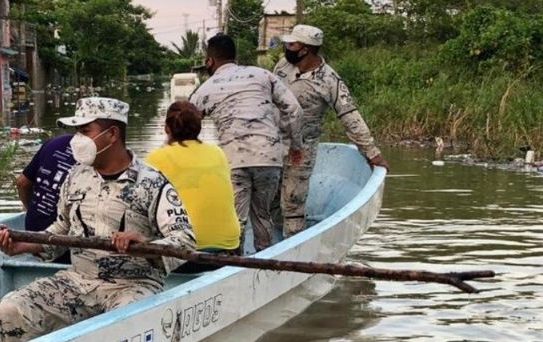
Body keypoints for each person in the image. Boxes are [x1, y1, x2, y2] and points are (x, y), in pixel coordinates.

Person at [0, 97, 195, 342]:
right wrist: (24, 246)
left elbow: (185, 241)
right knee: (12, 308)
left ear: (112, 135)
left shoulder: (151, 183)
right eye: (76, 130)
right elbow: (62, 230)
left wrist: (146, 244)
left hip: (132, 286)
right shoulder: (76, 176)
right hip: (78, 281)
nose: (77, 139)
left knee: (127, 321)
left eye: (85, 130)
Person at [188, 33, 303, 253]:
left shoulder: (205, 89)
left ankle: (235, 265)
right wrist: (295, 146)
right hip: (269, 157)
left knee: (235, 220)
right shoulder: (262, 75)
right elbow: (294, 110)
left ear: (209, 61)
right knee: (262, 215)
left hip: (234, 160)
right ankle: (265, 261)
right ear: (235, 56)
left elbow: (187, 125)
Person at [275, 24, 388, 237]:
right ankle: (266, 248)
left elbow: (350, 116)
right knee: (267, 199)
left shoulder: (329, 80)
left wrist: (371, 153)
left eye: (292, 44)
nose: (286, 47)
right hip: (271, 144)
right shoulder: (283, 66)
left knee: (293, 202)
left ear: (305, 49)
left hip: (301, 150)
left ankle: (293, 248)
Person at [146, 101, 239, 271]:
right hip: (228, 250)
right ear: (199, 127)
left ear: (167, 128)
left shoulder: (156, 158)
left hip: (185, 255)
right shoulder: (218, 152)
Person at [15, 133, 76, 263]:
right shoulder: (94, 159)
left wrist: (31, 210)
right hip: (63, 243)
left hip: (33, 231)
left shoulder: (54, 142)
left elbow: (22, 183)